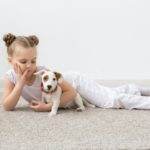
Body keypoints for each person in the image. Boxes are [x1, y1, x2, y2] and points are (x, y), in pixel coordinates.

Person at [2, 33, 150, 112]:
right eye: (23, 62)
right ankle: (135, 89)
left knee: (109, 101)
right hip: (72, 88)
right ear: (11, 61)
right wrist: (20, 82)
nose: (30, 66)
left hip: (76, 83)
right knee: (107, 92)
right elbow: (8, 106)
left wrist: (48, 107)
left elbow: (71, 92)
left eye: (33, 61)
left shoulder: (43, 72)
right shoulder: (10, 78)